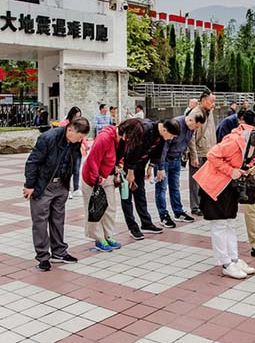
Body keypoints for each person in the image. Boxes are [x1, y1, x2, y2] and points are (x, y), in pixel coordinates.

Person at [194, 120, 255, 279]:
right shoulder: (235, 141)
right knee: (220, 224)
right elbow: (211, 155)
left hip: (229, 186)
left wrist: (244, 169)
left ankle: (233, 259)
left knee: (230, 223)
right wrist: (231, 170)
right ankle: (225, 263)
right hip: (215, 186)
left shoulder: (254, 142)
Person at [23, 117, 90, 271]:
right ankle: (43, 257)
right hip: (44, 185)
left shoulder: (74, 141)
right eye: (79, 137)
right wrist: (29, 185)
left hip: (61, 185)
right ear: (70, 130)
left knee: (58, 220)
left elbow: (71, 162)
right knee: (40, 222)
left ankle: (59, 252)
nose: (80, 141)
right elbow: (32, 162)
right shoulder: (48, 138)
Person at [81, 118, 145, 252]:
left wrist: (119, 167)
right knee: (96, 210)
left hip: (108, 177)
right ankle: (99, 239)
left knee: (110, 208)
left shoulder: (123, 141)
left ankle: (107, 235)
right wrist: (97, 180)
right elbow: (92, 160)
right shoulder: (104, 138)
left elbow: (120, 157)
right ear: (125, 132)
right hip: (93, 178)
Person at [122, 118, 180, 239]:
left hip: (140, 164)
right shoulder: (144, 129)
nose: (172, 138)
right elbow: (132, 150)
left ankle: (146, 224)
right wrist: (130, 172)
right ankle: (132, 227)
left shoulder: (161, 135)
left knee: (140, 194)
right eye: (172, 136)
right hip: (126, 164)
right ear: (165, 129)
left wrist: (151, 166)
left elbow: (157, 151)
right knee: (126, 196)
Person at [155, 112, 205, 227]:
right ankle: (163, 215)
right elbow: (164, 147)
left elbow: (189, 142)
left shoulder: (191, 129)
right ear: (191, 120)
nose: (196, 129)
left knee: (175, 187)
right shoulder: (176, 124)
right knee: (161, 188)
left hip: (177, 159)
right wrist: (161, 167)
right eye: (196, 127)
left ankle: (178, 212)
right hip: (165, 160)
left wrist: (192, 156)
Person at [187, 91, 217, 217]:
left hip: (209, 151)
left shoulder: (209, 112)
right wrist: (193, 155)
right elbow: (191, 136)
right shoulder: (196, 113)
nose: (213, 104)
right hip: (199, 152)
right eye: (211, 101)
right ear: (203, 100)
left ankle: (204, 204)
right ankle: (195, 206)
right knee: (195, 181)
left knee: (206, 180)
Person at [61, 106, 86, 198]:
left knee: (76, 169)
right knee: (67, 169)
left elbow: (82, 136)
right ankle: (67, 189)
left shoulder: (80, 124)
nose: (77, 118)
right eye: (76, 116)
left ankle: (76, 188)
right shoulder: (65, 124)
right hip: (68, 149)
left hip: (77, 149)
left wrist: (84, 145)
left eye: (79, 116)